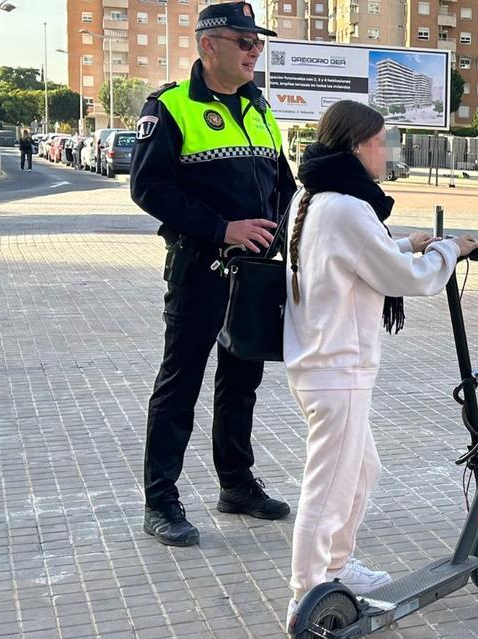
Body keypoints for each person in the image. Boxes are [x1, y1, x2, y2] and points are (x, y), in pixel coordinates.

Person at [282, 101, 478, 630]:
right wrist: (447, 251)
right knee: (326, 491)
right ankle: (308, 599)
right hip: (336, 369)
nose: (387, 151)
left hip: (323, 365)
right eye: (381, 141)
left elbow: (353, 257)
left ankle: (339, 568)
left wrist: (403, 243)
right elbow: (404, 279)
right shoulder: (347, 206)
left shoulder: (315, 197)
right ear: (356, 147)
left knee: (361, 470)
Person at [130, 0, 297, 547]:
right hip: (201, 269)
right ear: (209, 45)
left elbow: (283, 185)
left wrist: (289, 231)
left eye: (259, 43)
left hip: (254, 275)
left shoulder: (259, 106)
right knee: (181, 384)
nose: (255, 51)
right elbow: (149, 189)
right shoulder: (171, 106)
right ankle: (161, 501)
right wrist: (223, 227)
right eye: (245, 41)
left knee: (241, 380)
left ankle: (236, 484)